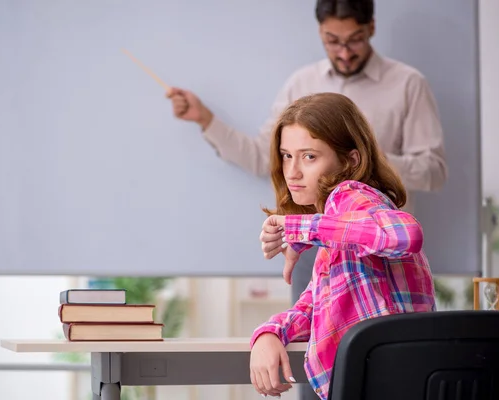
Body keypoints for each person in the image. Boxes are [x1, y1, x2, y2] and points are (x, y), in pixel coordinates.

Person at [166, 0, 447, 321]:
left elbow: (434, 171)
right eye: (332, 41)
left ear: (371, 28)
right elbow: (264, 156)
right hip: (311, 242)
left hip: (380, 250)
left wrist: (363, 155)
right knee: (311, 340)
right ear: (320, 33)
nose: (343, 52)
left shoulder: (407, 84)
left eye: (354, 39)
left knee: (373, 351)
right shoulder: (301, 83)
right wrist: (205, 120)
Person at [249, 92, 436, 400]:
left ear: (350, 160)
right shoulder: (343, 234)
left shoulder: (351, 194)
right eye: (286, 156)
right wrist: (270, 332)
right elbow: (312, 308)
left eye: (309, 156)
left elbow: (406, 233)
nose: (292, 172)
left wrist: (300, 228)